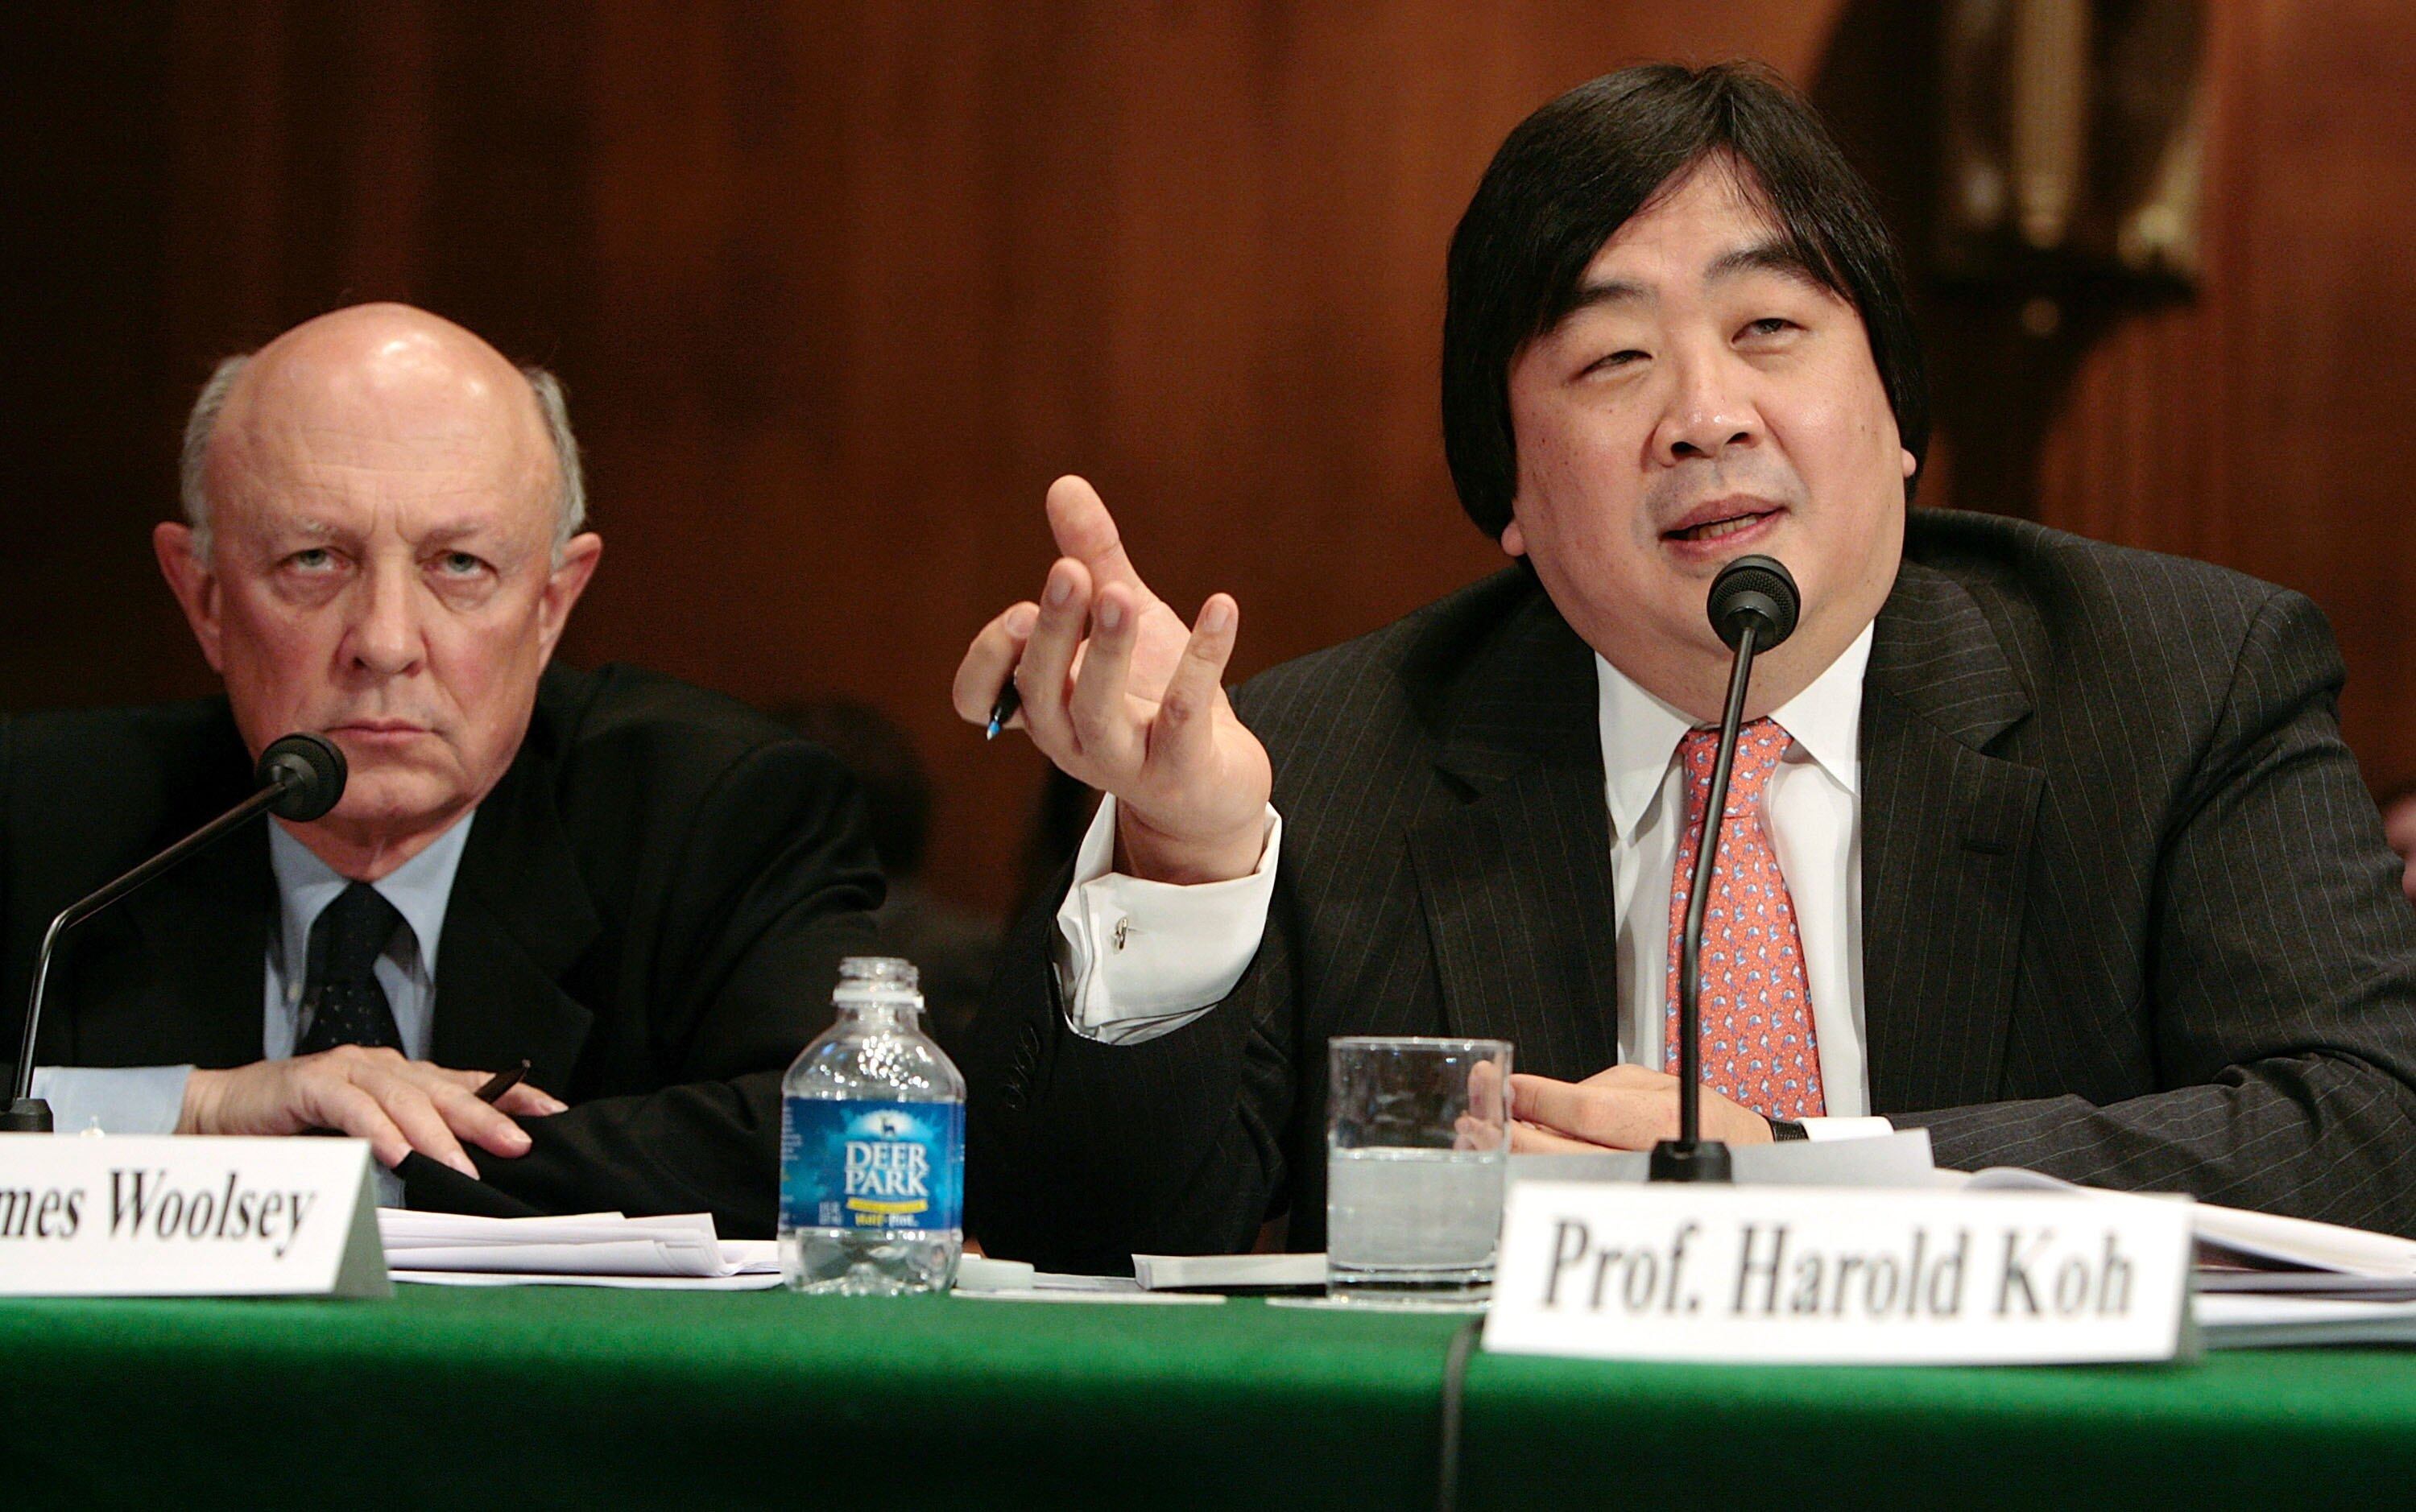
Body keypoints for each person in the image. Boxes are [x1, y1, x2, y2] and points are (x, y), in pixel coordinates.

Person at [953, 63, 2416, 1272]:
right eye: (1612, 360)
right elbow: (1066, 1251)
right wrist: (1185, 861)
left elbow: (2374, 1132)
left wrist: (1805, 1176)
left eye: (1770, 327)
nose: (1706, 414)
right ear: (1508, 495)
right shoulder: (1333, 756)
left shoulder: (2181, 682)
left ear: (1900, 415)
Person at [2, 303, 880, 1236]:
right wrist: (204, 1111)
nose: (384, 642)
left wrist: (334, 1179)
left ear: (551, 604)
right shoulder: (39, 823)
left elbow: (845, 1140)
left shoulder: (711, 812)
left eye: (458, 564)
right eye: (314, 559)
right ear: (205, 596)